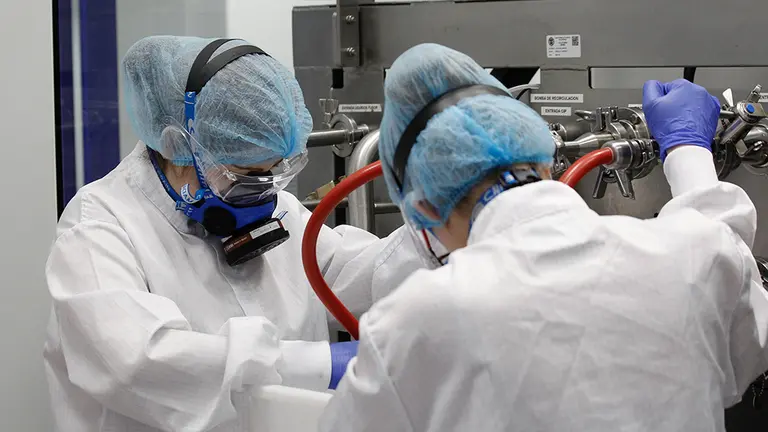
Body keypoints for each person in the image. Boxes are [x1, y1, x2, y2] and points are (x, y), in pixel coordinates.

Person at [319, 43, 768, 431]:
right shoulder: (689, 257)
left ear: (423, 209)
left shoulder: (412, 323)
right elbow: (737, 317)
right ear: (545, 160)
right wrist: (689, 149)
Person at [43, 36, 421, 432]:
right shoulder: (99, 227)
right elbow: (140, 362)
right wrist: (323, 365)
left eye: (274, 173)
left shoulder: (276, 208)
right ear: (178, 146)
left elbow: (349, 269)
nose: (261, 193)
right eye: (245, 176)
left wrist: (445, 237)